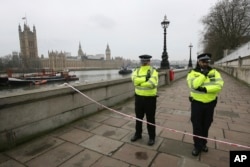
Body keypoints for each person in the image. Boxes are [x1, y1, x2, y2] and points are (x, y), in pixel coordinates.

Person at [186, 53, 224, 156]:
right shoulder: (192, 73)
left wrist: (205, 89)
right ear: (198, 62)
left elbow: (219, 86)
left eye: (207, 61)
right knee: (197, 125)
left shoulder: (214, 72)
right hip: (197, 103)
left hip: (210, 103)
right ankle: (197, 146)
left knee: (206, 124)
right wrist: (203, 75)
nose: (205, 63)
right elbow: (194, 85)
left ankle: (203, 144)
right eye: (203, 61)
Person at [130, 54, 158, 146]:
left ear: (149, 61)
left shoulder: (153, 71)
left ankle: (152, 137)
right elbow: (134, 81)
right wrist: (145, 79)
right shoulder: (136, 70)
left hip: (150, 98)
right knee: (138, 118)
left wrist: (140, 82)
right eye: (143, 61)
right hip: (138, 98)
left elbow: (152, 83)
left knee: (150, 119)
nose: (144, 63)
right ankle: (138, 134)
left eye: (145, 61)